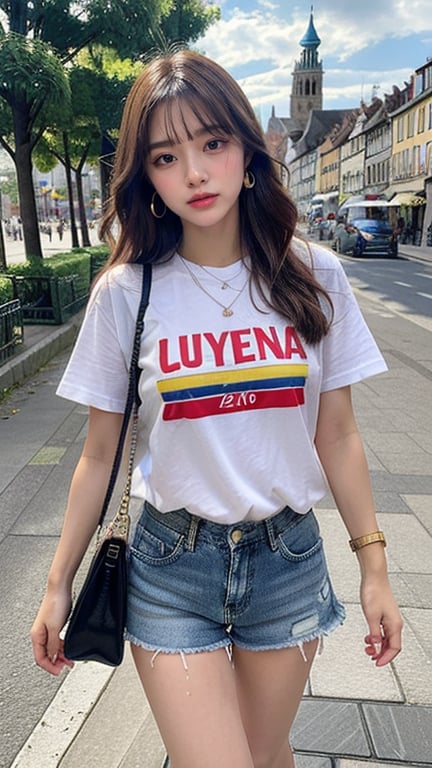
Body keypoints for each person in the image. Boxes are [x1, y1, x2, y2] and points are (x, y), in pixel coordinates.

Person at [31, 49, 402, 768]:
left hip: (287, 558)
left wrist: (374, 568)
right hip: (172, 564)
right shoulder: (126, 293)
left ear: (248, 151)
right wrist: (56, 584)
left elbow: (339, 433)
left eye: (212, 143)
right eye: (166, 157)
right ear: (145, 176)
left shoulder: (314, 275)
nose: (195, 173)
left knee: (265, 757)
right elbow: (98, 455)